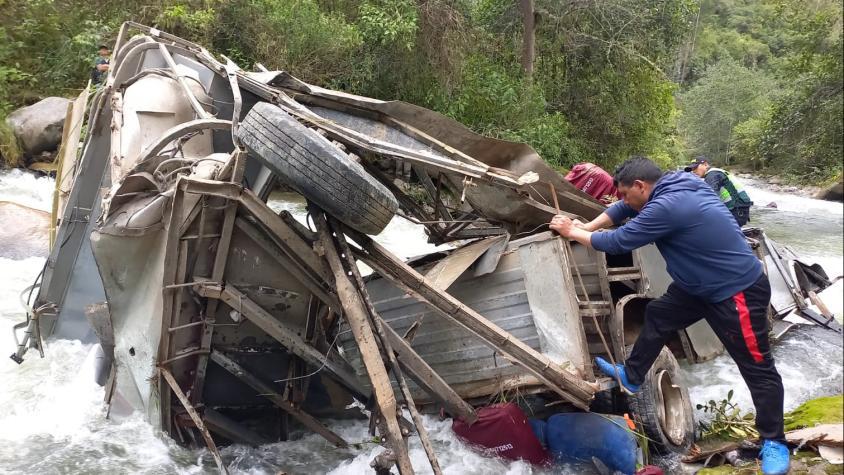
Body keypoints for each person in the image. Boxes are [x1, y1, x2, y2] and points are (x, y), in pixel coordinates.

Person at [548, 156, 789, 475]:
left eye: (624, 193)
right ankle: (632, 377)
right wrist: (587, 226)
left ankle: (775, 442)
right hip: (696, 286)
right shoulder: (674, 182)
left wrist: (571, 231)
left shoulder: (667, 207)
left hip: (736, 291)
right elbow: (623, 210)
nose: (621, 200)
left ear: (640, 186)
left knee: (757, 368)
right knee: (659, 314)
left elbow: (620, 240)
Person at [685, 157, 753, 226]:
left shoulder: (712, 175)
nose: (693, 171)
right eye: (692, 169)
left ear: (705, 164)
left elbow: (709, 199)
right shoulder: (716, 172)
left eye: (695, 168)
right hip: (739, 209)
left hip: (736, 210)